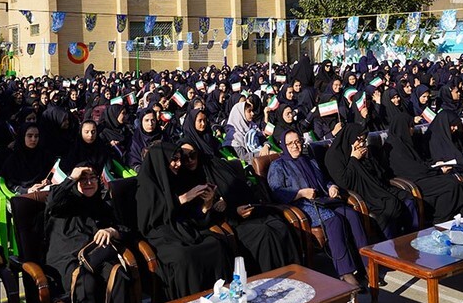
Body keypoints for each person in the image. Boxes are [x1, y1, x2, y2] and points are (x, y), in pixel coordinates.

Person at [177, 138, 300, 274]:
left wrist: (229, 201)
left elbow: (239, 189)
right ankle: (272, 277)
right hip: (226, 222)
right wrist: (226, 209)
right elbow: (197, 216)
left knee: (279, 226)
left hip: (243, 211)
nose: (190, 160)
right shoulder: (183, 181)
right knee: (263, 233)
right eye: (184, 158)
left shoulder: (214, 165)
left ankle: (296, 274)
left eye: (193, 155)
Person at [268, 129, 367, 287]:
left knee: (352, 215)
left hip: (323, 200)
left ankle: (366, 264)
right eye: (290, 143)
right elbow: (276, 191)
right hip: (301, 204)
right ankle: (345, 273)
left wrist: (331, 187)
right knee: (334, 220)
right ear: (284, 146)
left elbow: (324, 180)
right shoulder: (278, 165)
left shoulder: (309, 160)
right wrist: (301, 193)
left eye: (297, 141)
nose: (295, 146)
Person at [136, 142, 233, 300]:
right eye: (174, 159)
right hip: (160, 236)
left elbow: (192, 216)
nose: (179, 164)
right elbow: (149, 220)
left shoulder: (176, 180)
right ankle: (190, 302)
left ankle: (221, 298)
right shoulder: (145, 185)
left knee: (216, 245)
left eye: (179, 159)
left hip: (183, 229)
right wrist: (182, 199)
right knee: (185, 257)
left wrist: (207, 203)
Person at [44, 166, 130, 303]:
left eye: (92, 178)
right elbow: (52, 202)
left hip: (95, 258)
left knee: (118, 275)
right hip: (67, 260)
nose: (89, 183)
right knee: (86, 283)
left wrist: (111, 231)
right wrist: (71, 178)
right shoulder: (62, 203)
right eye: (83, 179)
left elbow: (125, 229)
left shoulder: (101, 204)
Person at [324, 123, 418, 238]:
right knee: (391, 206)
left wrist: (368, 158)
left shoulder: (363, 150)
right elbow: (345, 182)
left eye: (363, 140)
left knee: (408, 199)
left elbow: (380, 174)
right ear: (350, 137)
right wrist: (354, 159)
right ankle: (390, 243)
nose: (361, 144)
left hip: (378, 187)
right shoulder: (333, 156)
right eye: (358, 140)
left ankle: (413, 236)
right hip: (361, 193)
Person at [385, 115, 463, 223]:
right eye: (411, 126)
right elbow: (410, 169)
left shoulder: (405, 142)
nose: (412, 129)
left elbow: (419, 162)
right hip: (412, 181)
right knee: (452, 186)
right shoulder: (395, 147)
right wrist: (438, 170)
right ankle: (441, 221)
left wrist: (435, 166)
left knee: (453, 182)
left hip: (420, 175)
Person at [0, 123, 53, 194]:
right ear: (22, 137)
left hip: (44, 191)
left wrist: (47, 181)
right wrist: (27, 190)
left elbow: (49, 174)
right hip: (24, 195)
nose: (33, 139)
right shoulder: (13, 159)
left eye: (36, 136)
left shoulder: (44, 156)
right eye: (30, 136)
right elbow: (10, 184)